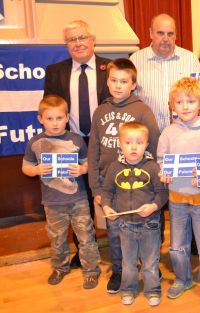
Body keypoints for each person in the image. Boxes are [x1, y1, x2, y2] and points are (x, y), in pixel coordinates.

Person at [87, 58, 160, 294]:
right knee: (115, 230)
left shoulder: (142, 110)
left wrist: (154, 183)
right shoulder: (100, 111)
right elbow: (93, 150)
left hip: (141, 186)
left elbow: (156, 146)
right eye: (114, 80)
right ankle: (119, 270)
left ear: (133, 84)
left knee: (147, 227)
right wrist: (96, 189)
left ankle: (150, 266)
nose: (118, 85)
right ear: (107, 81)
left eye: (124, 81)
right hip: (111, 187)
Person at [43, 20, 111, 269]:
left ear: (93, 40)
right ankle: (83, 251)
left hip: (104, 143)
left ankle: (115, 249)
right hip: (70, 144)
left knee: (105, 194)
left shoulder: (110, 68)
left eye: (82, 37)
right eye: (72, 39)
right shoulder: (55, 71)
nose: (78, 43)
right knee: (76, 198)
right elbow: (49, 107)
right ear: (66, 45)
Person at [22, 95, 101, 289]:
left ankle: (91, 270)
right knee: (57, 238)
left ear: (67, 117)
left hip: (79, 199)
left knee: (86, 237)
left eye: (59, 118)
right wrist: (36, 170)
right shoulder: (35, 142)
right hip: (52, 202)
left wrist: (82, 169)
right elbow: (26, 167)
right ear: (40, 119)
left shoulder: (76, 140)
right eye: (49, 118)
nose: (55, 123)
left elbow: (87, 163)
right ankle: (60, 267)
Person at [157, 77, 200, 305]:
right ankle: (183, 279)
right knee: (176, 246)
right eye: (179, 102)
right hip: (176, 199)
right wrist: (163, 172)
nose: (185, 106)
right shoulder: (168, 133)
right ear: (172, 105)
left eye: (190, 101)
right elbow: (161, 160)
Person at [100, 122, 168, 307]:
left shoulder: (153, 167)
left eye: (139, 142)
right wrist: (107, 207)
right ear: (120, 144)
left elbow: (162, 194)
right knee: (128, 262)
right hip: (125, 225)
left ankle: (153, 290)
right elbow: (106, 192)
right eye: (128, 142)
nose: (133, 147)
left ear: (146, 144)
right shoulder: (114, 168)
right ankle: (128, 289)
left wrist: (153, 207)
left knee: (149, 262)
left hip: (150, 224)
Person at [130, 13, 200, 132]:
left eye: (170, 34)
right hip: (147, 137)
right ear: (151, 33)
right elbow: (128, 100)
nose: (165, 39)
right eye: (160, 33)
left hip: (184, 135)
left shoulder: (190, 60)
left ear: (176, 36)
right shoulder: (135, 60)